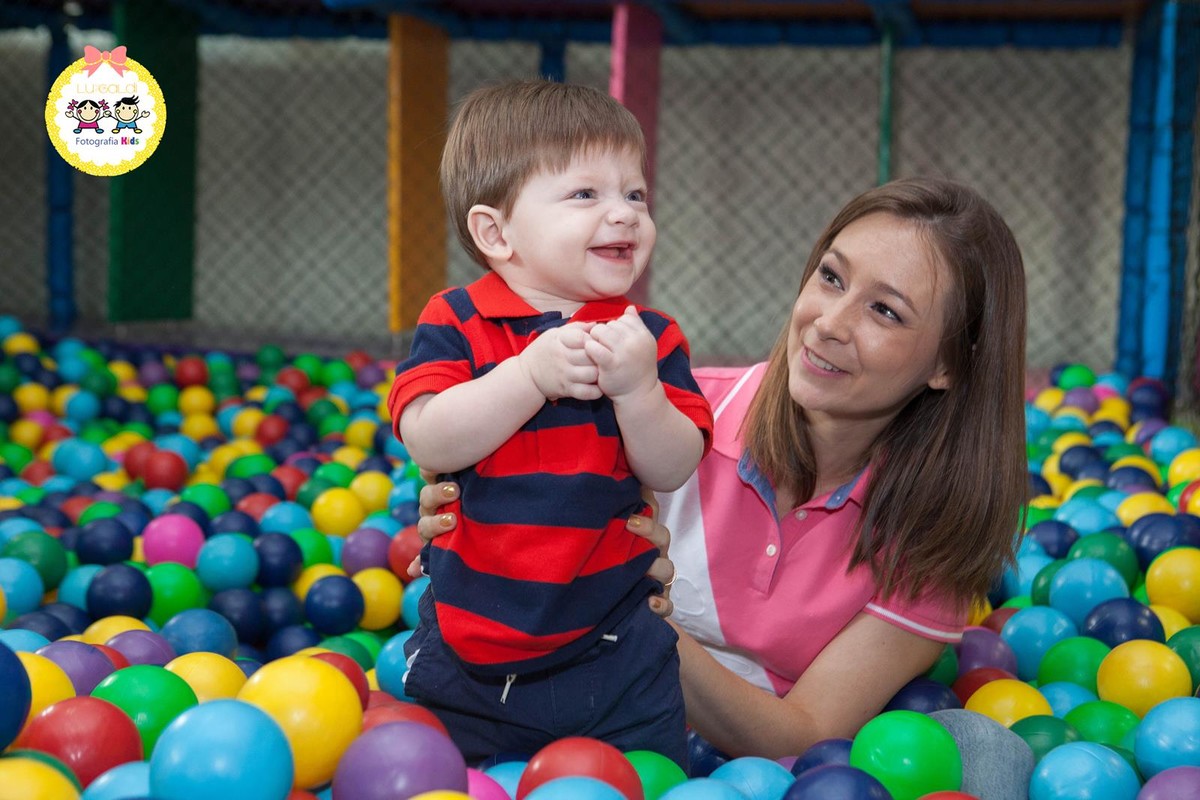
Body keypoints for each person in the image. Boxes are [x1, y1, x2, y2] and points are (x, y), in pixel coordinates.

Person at [416, 176, 1028, 767]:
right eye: (830, 277)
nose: (829, 323)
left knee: (980, 748)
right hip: (560, 727)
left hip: (753, 769)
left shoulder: (937, 533)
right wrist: (483, 542)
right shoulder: (661, 412)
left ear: (948, 362)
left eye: (886, 312)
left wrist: (616, 606)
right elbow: (468, 467)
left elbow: (806, 735)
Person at [388, 79, 713, 767]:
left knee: (643, 778)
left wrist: (639, 392)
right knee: (445, 776)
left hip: (616, 649)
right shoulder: (457, 320)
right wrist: (528, 376)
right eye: (586, 195)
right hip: (470, 650)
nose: (624, 214)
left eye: (635, 194)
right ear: (496, 232)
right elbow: (427, 434)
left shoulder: (647, 338)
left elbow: (673, 465)